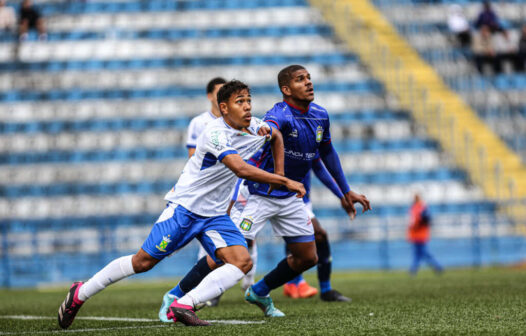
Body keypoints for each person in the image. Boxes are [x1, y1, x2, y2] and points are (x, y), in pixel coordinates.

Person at [57, 80, 306, 328]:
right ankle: (80, 293)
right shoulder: (213, 133)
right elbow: (240, 169)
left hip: (215, 215)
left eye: (249, 100)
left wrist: (279, 171)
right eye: (239, 102)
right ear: (224, 107)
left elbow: (277, 136)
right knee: (142, 262)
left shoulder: (256, 126)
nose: (247, 107)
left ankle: (184, 304)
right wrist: (284, 180)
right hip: (185, 209)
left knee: (242, 261)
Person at [239, 65, 370, 316]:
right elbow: (272, 125)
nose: (309, 82)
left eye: (309, 78)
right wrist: (267, 130)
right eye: (301, 79)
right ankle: (185, 296)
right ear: (286, 89)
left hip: (291, 197)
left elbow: (325, 155)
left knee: (310, 255)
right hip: (260, 192)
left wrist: (345, 191)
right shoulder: (281, 112)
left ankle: (260, 290)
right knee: (234, 249)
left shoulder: (320, 115)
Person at [407, 193, 443, 275]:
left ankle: (437, 266)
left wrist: (417, 225)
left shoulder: (422, 208)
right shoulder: (414, 208)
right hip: (415, 234)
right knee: (418, 253)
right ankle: (414, 269)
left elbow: (426, 220)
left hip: (421, 234)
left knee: (423, 253)